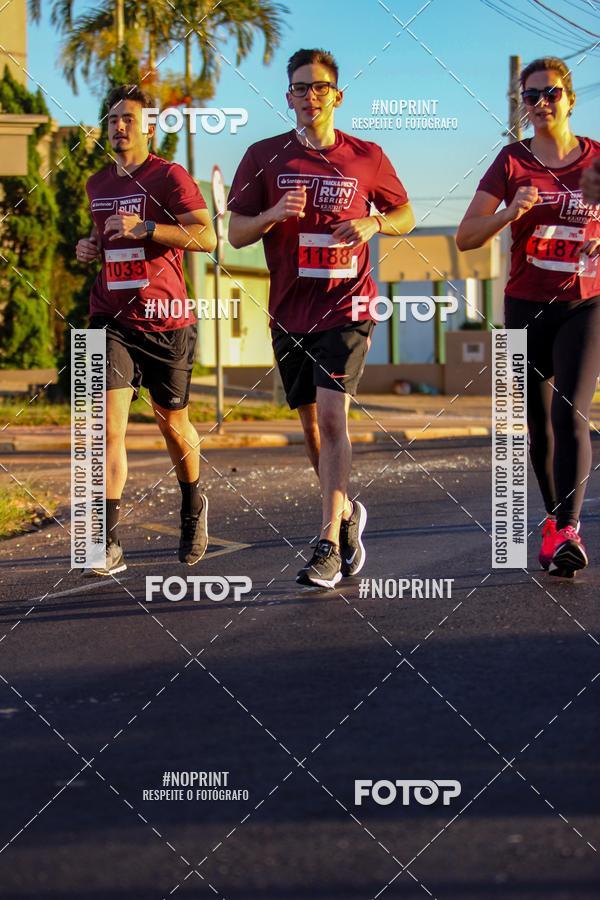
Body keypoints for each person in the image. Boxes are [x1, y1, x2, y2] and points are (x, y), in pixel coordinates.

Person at [227, 48, 414, 589]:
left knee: (333, 420)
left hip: (348, 306)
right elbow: (235, 233)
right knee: (311, 429)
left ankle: (327, 543)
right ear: (288, 96)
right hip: (290, 312)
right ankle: (348, 512)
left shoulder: (366, 156)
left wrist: (374, 224)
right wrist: (270, 215)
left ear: (338, 96)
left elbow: (405, 213)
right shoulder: (264, 156)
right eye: (300, 88)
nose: (310, 96)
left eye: (320, 87)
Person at [456, 57, 600, 578]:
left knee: (570, 413)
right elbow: (465, 236)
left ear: (570, 99)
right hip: (524, 305)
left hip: (586, 305)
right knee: (537, 428)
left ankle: (567, 530)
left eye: (551, 94)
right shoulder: (511, 162)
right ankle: (553, 521)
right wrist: (508, 212)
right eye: (531, 96)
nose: (541, 104)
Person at [76, 84, 217, 576]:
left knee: (172, 425)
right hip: (108, 316)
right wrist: (88, 248)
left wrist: (149, 230)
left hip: (166, 321)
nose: (118, 127)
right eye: (112, 119)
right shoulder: (97, 184)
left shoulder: (169, 177)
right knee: (106, 428)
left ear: (149, 127)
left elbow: (206, 235)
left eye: (128, 119)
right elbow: (100, 237)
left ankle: (193, 503)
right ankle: (106, 542)